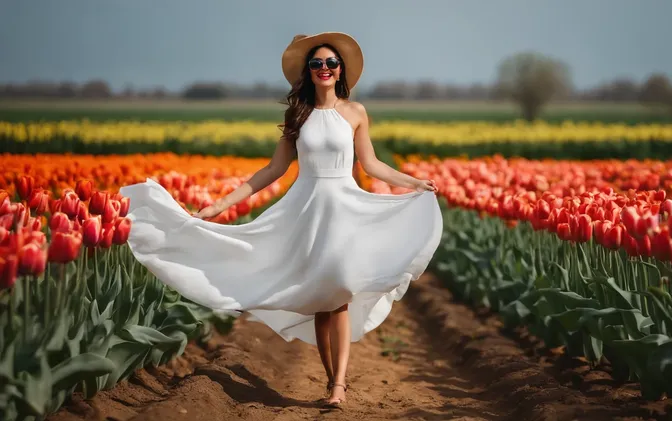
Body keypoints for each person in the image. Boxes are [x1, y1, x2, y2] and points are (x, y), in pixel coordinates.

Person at [119, 32, 443, 408]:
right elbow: (272, 170)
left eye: (331, 63)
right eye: (317, 63)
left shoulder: (355, 112)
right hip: (305, 211)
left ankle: (338, 386)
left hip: (344, 209)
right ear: (308, 71)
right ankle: (331, 380)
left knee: (339, 292)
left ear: (341, 72)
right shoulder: (298, 115)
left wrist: (414, 182)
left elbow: (370, 164)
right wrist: (219, 205)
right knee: (323, 301)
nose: (324, 69)